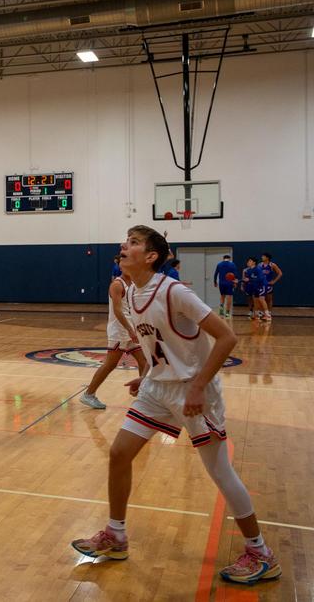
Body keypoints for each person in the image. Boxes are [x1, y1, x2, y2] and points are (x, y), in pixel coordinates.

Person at [71, 225, 280, 586]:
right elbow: (161, 345)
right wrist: (149, 374)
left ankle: (260, 552)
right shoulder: (131, 293)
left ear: (151, 256)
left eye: (133, 242)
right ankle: (116, 535)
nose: (123, 245)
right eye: (126, 240)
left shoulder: (174, 291)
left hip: (194, 390)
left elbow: (226, 337)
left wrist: (198, 385)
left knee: (219, 471)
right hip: (158, 387)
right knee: (119, 453)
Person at [80, 265, 148, 410]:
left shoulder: (133, 284)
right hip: (119, 330)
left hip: (130, 330)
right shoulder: (117, 285)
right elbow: (117, 311)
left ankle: (143, 397)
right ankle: (88, 394)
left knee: (144, 360)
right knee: (110, 364)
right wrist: (129, 329)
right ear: (122, 268)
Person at [242, 257, 270, 321]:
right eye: (248, 261)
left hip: (262, 285)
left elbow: (260, 279)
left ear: (254, 262)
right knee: (255, 300)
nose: (248, 262)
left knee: (261, 299)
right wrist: (238, 281)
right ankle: (256, 314)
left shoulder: (258, 269)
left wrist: (249, 279)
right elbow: (247, 279)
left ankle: (268, 315)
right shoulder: (248, 271)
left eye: (250, 261)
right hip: (255, 286)